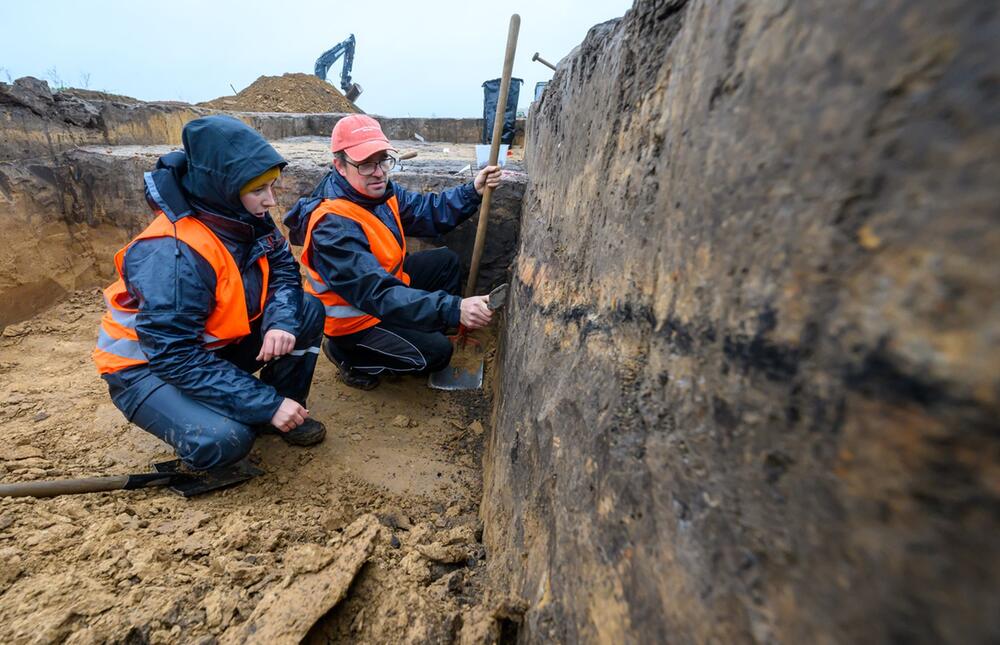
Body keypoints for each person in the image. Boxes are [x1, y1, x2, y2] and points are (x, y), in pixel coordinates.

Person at [92, 115, 326, 471]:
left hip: (206, 350)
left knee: (303, 310)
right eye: (259, 190)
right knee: (225, 441)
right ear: (225, 188)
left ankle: (284, 411)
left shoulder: (246, 218)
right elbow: (173, 356)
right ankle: (262, 412)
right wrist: (262, 402)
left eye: (272, 186)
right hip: (145, 369)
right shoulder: (173, 252)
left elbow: (283, 271)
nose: (271, 201)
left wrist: (279, 322)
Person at [284, 114, 503, 389]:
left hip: (387, 290)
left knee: (445, 262)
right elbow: (376, 292)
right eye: (365, 164)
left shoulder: (379, 192)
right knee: (437, 354)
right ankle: (348, 357)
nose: (378, 172)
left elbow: (427, 211)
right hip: (356, 322)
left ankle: (419, 329)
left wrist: (472, 191)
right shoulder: (332, 226)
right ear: (339, 166)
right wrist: (453, 308)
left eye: (382, 160)